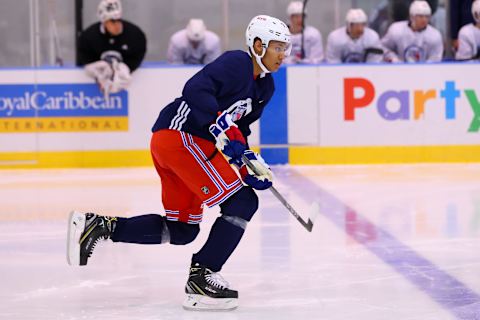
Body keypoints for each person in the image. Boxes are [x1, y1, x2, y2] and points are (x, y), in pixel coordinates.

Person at [67, 15, 291, 311]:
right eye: (277, 47)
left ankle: (97, 226)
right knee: (242, 203)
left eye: (285, 48)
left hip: (176, 143)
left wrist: (247, 163)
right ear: (258, 45)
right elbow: (195, 89)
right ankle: (203, 278)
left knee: (182, 230)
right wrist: (221, 126)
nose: (282, 54)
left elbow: (239, 129)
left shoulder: (265, 88)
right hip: (181, 136)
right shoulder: (237, 63)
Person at [77, 0, 147, 95]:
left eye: (119, 20)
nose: (117, 25)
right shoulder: (88, 37)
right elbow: (85, 57)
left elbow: (138, 54)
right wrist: (95, 69)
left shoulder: (135, 35)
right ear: (104, 21)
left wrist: (128, 67)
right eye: (113, 21)